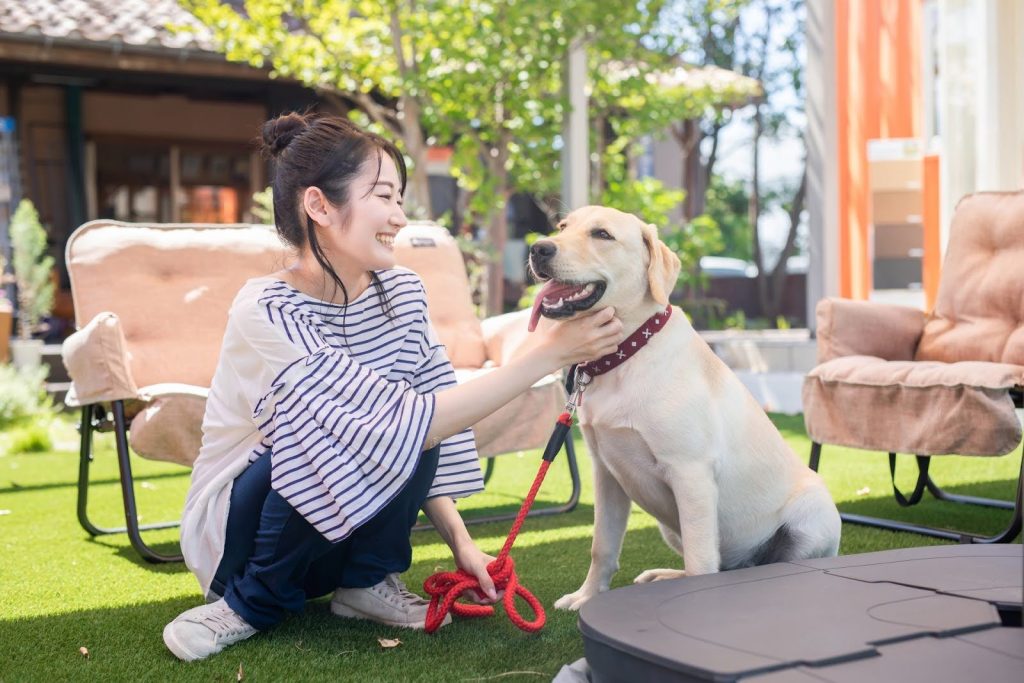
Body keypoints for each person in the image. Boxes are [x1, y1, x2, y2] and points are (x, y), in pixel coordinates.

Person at [162, 112, 623, 662]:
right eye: (383, 196)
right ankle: (247, 605)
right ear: (319, 206)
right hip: (243, 537)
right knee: (330, 418)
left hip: (333, 542)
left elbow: (431, 423)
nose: (399, 217)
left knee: (414, 414)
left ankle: (365, 584)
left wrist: (463, 545)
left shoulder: (401, 290)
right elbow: (388, 420)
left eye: (400, 198)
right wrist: (551, 354)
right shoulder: (267, 307)